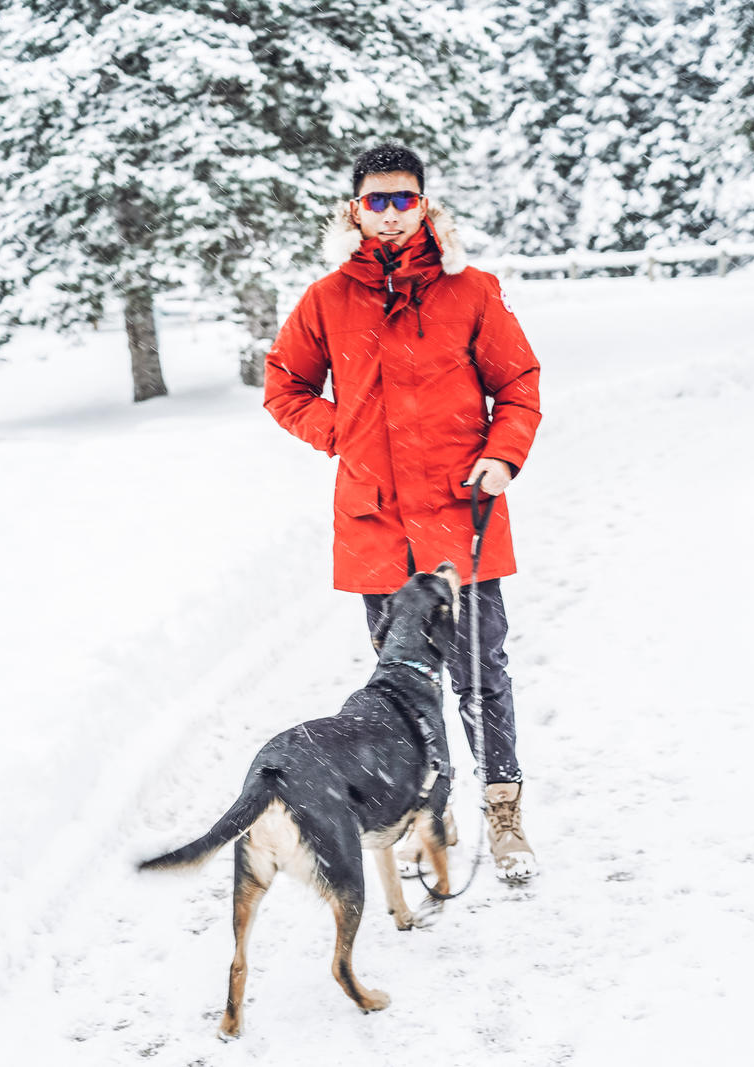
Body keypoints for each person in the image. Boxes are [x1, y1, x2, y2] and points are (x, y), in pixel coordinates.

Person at [263, 142, 541, 881]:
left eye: (404, 198)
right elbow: (284, 386)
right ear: (356, 209)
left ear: (425, 204)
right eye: (377, 200)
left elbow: (518, 384)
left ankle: (504, 810)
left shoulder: (472, 290)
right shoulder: (326, 300)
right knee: (405, 682)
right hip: (377, 528)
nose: (391, 213)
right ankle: (432, 812)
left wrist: (503, 453)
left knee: (482, 673)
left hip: (463, 515)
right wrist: (343, 435)